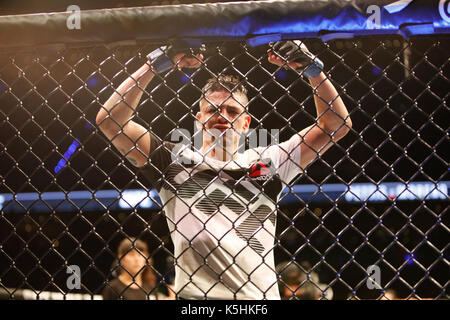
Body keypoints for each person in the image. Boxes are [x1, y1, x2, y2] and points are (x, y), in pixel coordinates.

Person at [96, 40, 352, 299]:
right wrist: (153, 65)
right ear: (198, 121)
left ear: (245, 123)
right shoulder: (174, 160)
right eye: (212, 110)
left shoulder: (266, 162)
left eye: (232, 111)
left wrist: (312, 69)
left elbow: (336, 126)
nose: (222, 116)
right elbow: (109, 121)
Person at [102, 237, 171, 300]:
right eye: (132, 255)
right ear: (122, 259)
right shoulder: (112, 288)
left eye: (140, 255)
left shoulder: (150, 288)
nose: (137, 259)